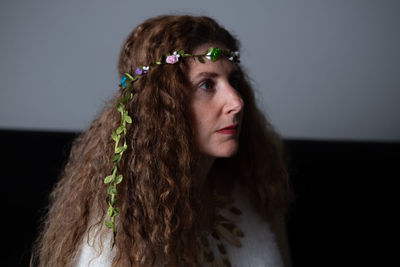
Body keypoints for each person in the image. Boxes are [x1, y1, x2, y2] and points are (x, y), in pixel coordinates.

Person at [31, 15, 291, 266]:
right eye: (207, 85)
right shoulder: (118, 233)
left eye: (233, 81)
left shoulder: (252, 192)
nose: (236, 102)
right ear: (162, 107)